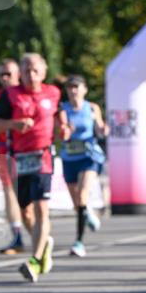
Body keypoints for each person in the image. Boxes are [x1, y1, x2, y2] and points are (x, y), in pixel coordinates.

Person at [0, 52, 69, 282]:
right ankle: (44, 244)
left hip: (43, 157)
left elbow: (60, 113)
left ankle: (34, 260)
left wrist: (64, 127)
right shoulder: (10, 95)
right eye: (26, 71)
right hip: (20, 158)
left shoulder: (53, 92)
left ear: (44, 71)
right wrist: (14, 124)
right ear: (20, 74)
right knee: (26, 213)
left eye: (35, 70)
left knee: (42, 208)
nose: (31, 75)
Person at [58, 75, 108, 257]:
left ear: (84, 90)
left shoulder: (92, 108)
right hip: (69, 157)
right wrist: (66, 131)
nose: (73, 90)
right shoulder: (63, 109)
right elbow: (62, 131)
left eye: (76, 87)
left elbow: (100, 128)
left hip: (89, 156)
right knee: (77, 203)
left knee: (82, 194)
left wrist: (103, 129)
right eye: (69, 87)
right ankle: (87, 212)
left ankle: (79, 242)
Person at [0, 59, 25, 255]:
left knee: (28, 196)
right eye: (1, 74)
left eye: (8, 74)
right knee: (9, 191)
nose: (4, 78)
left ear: (18, 74)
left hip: (27, 150)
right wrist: (11, 125)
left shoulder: (27, 93)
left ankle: (39, 234)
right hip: (5, 149)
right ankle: (17, 235)